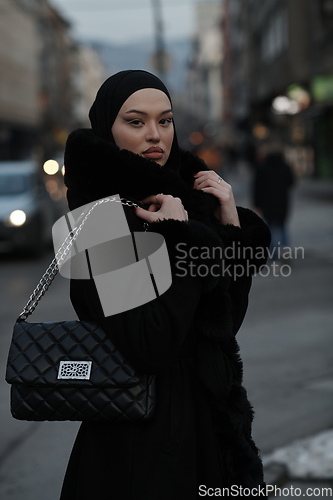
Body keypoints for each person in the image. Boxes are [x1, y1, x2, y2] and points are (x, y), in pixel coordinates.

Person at [60, 70, 271, 500]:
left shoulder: (182, 202)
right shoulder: (98, 223)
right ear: (107, 127)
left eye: (166, 120)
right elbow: (149, 344)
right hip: (140, 446)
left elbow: (224, 324)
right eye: (136, 122)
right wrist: (183, 238)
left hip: (207, 429)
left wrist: (227, 224)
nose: (155, 135)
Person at [253, 143, 294, 262]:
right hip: (282, 202)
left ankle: (273, 255)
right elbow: (291, 183)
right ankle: (285, 252)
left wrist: (257, 204)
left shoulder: (262, 167)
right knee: (282, 227)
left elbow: (257, 188)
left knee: (270, 228)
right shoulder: (286, 167)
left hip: (267, 203)